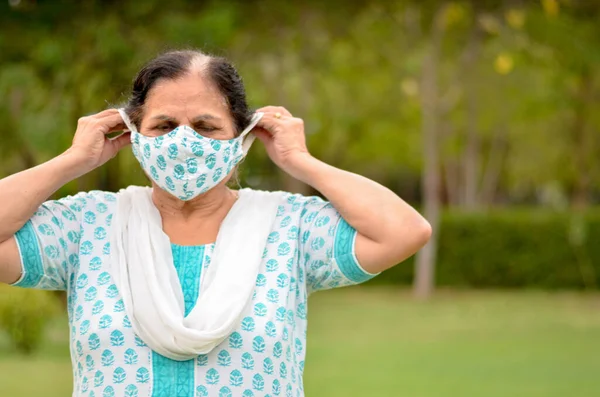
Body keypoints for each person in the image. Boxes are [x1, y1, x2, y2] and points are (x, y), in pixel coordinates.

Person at [0, 50, 431, 397]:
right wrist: (73, 161)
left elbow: (406, 231)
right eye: (164, 125)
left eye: (206, 127)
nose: (183, 142)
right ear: (133, 134)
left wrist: (300, 161)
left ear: (241, 140)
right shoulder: (89, 226)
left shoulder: (287, 228)